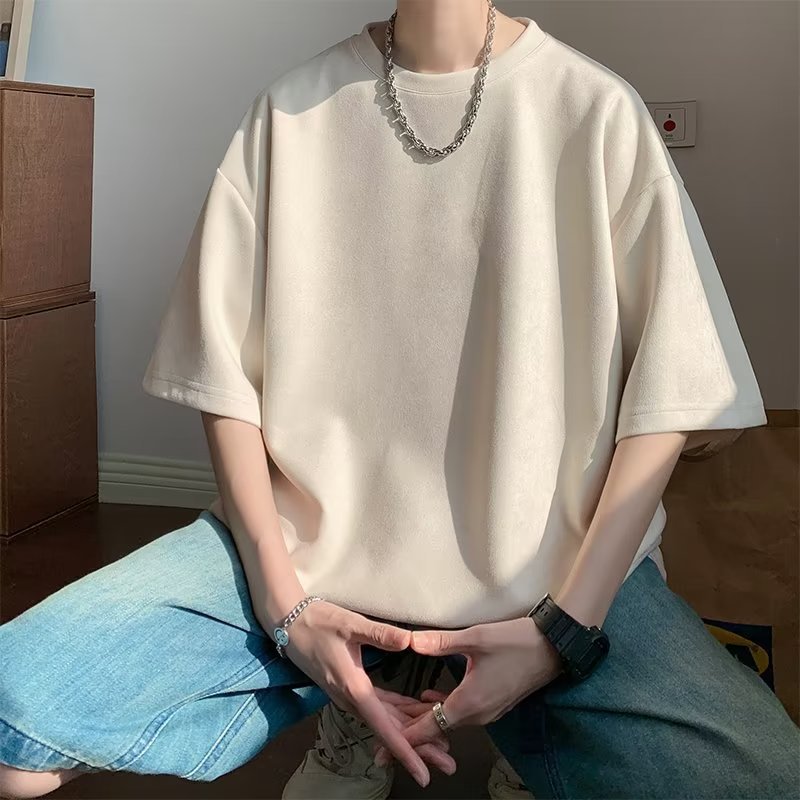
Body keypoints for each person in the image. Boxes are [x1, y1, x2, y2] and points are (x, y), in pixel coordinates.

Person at [1, 1, 798, 799]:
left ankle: (528, 717)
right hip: (315, 567)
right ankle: (368, 692)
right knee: (13, 731)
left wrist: (562, 632)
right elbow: (223, 381)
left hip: (558, 582)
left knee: (769, 781)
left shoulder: (595, 108)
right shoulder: (290, 111)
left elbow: (671, 394)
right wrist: (287, 611)